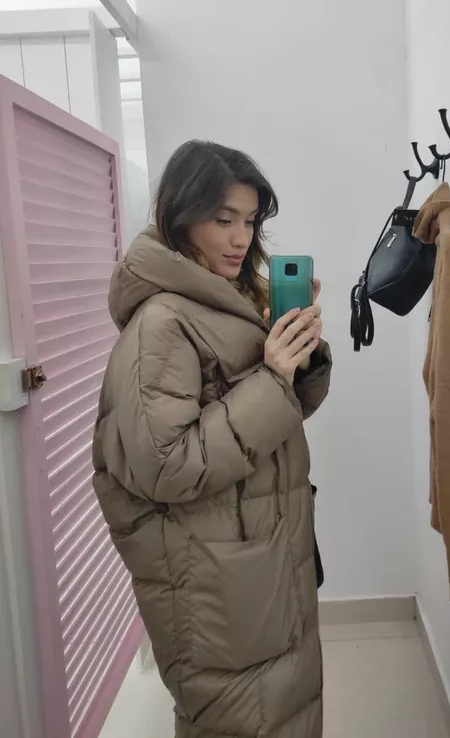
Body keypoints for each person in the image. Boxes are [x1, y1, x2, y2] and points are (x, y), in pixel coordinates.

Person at [92, 141, 332, 738]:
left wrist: (297, 359)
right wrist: (271, 378)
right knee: (241, 719)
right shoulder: (161, 325)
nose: (240, 238)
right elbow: (167, 466)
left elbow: (279, 417)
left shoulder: (232, 302)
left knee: (283, 709)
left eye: (249, 222)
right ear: (180, 217)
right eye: (223, 220)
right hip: (218, 581)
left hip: (257, 556)